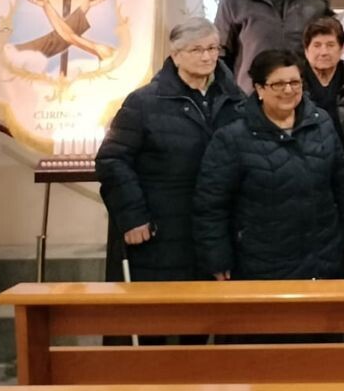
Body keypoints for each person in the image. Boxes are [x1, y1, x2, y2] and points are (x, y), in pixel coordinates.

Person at [96, 18, 243, 281]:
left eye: (212, 48)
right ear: (175, 55)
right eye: (197, 50)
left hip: (220, 227)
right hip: (161, 228)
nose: (208, 56)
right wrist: (132, 216)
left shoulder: (237, 101)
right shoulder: (144, 103)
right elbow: (113, 159)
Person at [194, 48, 344, 281]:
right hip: (262, 261)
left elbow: (343, 187)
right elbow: (211, 205)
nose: (288, 90)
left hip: (324, 258)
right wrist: (217, 258)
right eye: (278, 84)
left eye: (294, 82)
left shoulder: (321, 123)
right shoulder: (233, 136)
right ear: (259, 89)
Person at [299, 16, 344, 142]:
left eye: (330, 45)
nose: (324, 52)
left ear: (341, 49)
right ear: (306, 51)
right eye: (317, 45)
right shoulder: (292, 87)